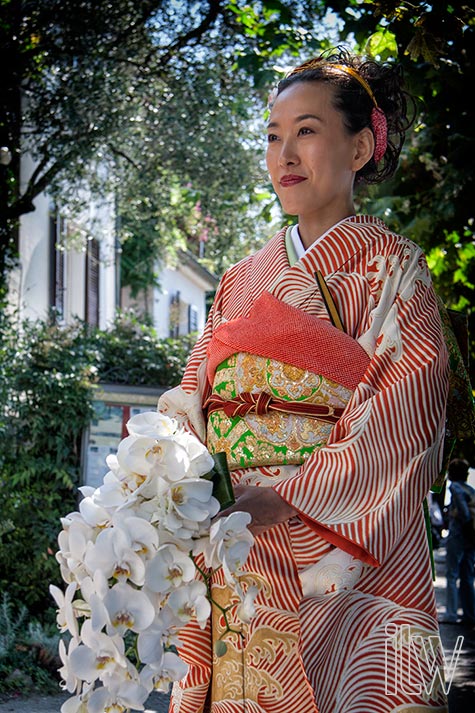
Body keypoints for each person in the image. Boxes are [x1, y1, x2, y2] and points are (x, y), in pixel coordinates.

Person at [159, 48, 450, 713]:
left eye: (307, 131)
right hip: (234, 542)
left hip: (331, 554)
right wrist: (175, 478)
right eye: (272, 136)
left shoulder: (394, 268)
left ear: (357, 149)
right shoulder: (237, 278)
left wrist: (284, 498)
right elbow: (190, 392)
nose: (283, 153)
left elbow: (402, 415)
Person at [441, 458, 475, 626]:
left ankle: (451, 613)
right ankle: (470, 614)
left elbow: (463, 512)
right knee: (467, 576)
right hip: (471, 538)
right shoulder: (470, 489)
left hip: (458, 536)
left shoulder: (455, 488)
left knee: (452, 574)